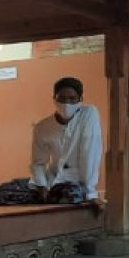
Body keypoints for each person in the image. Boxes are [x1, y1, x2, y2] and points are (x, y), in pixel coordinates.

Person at [30, 76, 103, 206]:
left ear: (81, 100)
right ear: (54, 99)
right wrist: (42, 185)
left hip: (77, 184)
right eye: (62, 99)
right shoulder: (42, 127)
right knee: (5, 193)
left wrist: (91, 193)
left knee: (68, 195)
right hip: (52, 182)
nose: (66, 104)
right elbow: (38, 163)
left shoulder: (89, 115)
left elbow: (90, 155)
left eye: (72, 99)